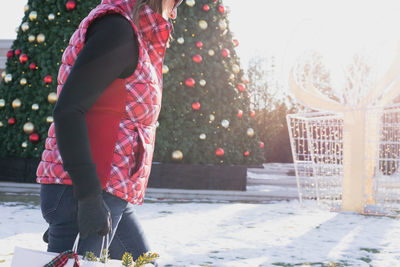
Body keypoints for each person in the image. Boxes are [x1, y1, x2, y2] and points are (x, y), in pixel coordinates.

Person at [35, 0, 182, 263]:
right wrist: (86, 198)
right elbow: (68, 110)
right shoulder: (117, 30)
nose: (175, 9)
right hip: (91, 191)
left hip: (108, 190)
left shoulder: (131, 33)